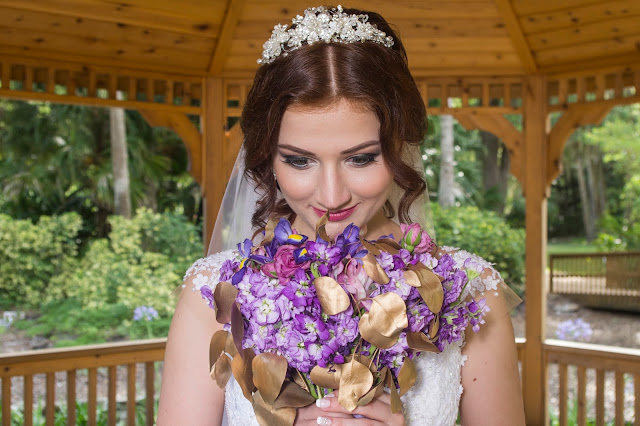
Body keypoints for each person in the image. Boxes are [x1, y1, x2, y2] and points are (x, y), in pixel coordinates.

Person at [158, 6, 525, 425]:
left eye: (361, 158)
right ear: (266, 158)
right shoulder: (212, 293)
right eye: (300, 161)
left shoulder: (469, 295)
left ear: (399, 145)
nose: (332, 196)